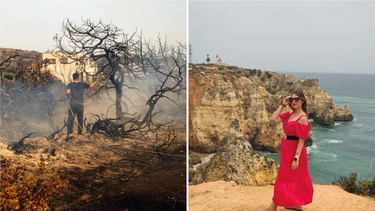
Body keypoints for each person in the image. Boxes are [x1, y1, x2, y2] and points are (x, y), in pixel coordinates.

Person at [263, 90, 314, 211]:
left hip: (295, 151)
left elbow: (301, 140)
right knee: (289, 177)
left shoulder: (303, 118)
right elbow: (274, 118)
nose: (294, 102)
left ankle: (273, 206)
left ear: (302, 101)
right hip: (286, 149)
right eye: (292, 99)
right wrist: (283, 104)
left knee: (287, 177)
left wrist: (296, 158)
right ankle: (295, 204)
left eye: (296, 99)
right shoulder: (290, 114)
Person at [66, 72, 97, 137]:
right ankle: (79, 133)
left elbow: (68, 92)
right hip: (80, 105)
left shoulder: (70, 84)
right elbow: (91, 86)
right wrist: (94, 83)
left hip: (72, 104)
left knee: (71, 118)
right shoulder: (82, 84)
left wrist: (68, 97)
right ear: (78, 77)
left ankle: (70, 133)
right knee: (80, 118)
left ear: (73, 77)